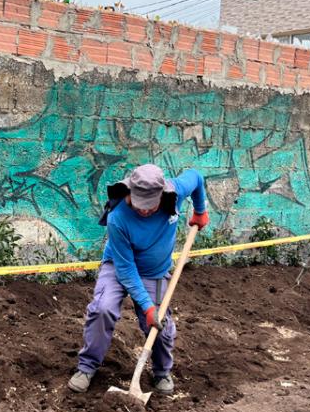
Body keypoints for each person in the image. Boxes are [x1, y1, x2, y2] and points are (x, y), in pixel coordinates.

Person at [68, 163, 208, 394]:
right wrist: (145, 305)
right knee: (103, 309)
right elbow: (126, 270)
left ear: (162, 195)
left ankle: (161, 372)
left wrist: (200, 210)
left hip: (155, 271)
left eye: (150, 206)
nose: (144, 211)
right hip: (120, 266)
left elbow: (197, 177)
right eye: (140, 205)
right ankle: (87, 367)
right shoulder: (118, 218)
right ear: (130, 192)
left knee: (160, 324)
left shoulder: (175, 192)